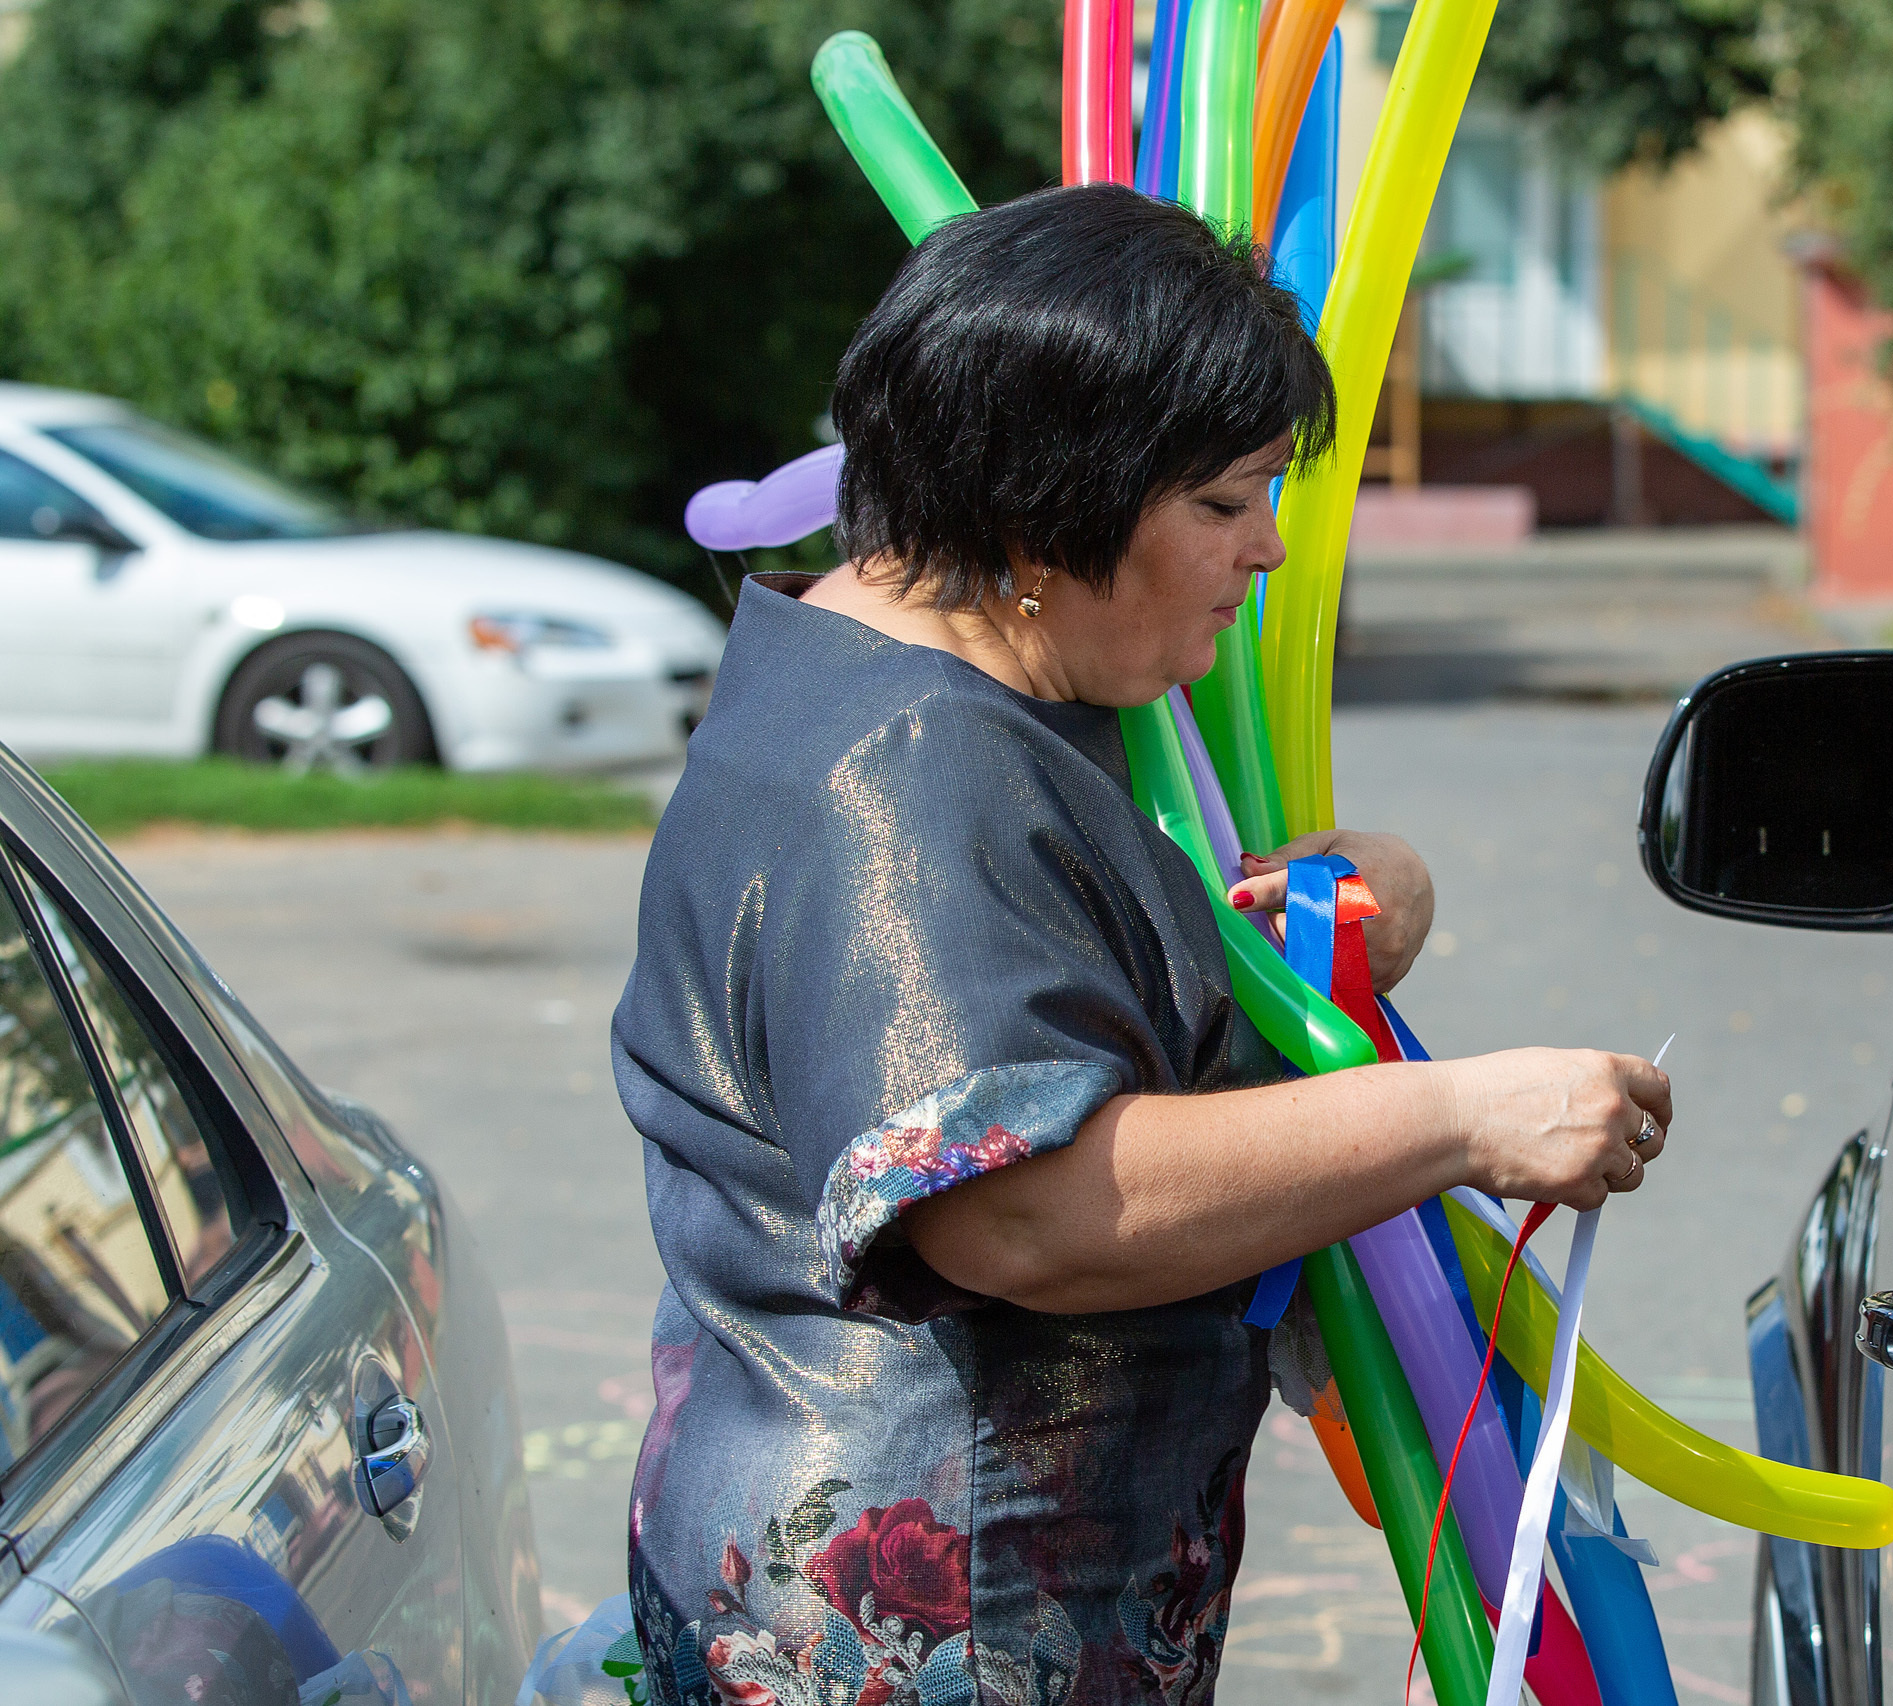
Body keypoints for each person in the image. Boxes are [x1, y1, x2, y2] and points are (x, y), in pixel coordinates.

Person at [613, 182, 1673, 1706]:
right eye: (1226, 502)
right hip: (941, 1628)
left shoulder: (877, 658)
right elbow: (1022, 1209)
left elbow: (1088, 1000)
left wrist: (1352, 909)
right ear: (1049, 507)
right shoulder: (914, 774)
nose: (1271, 549)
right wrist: (1465, 1118)